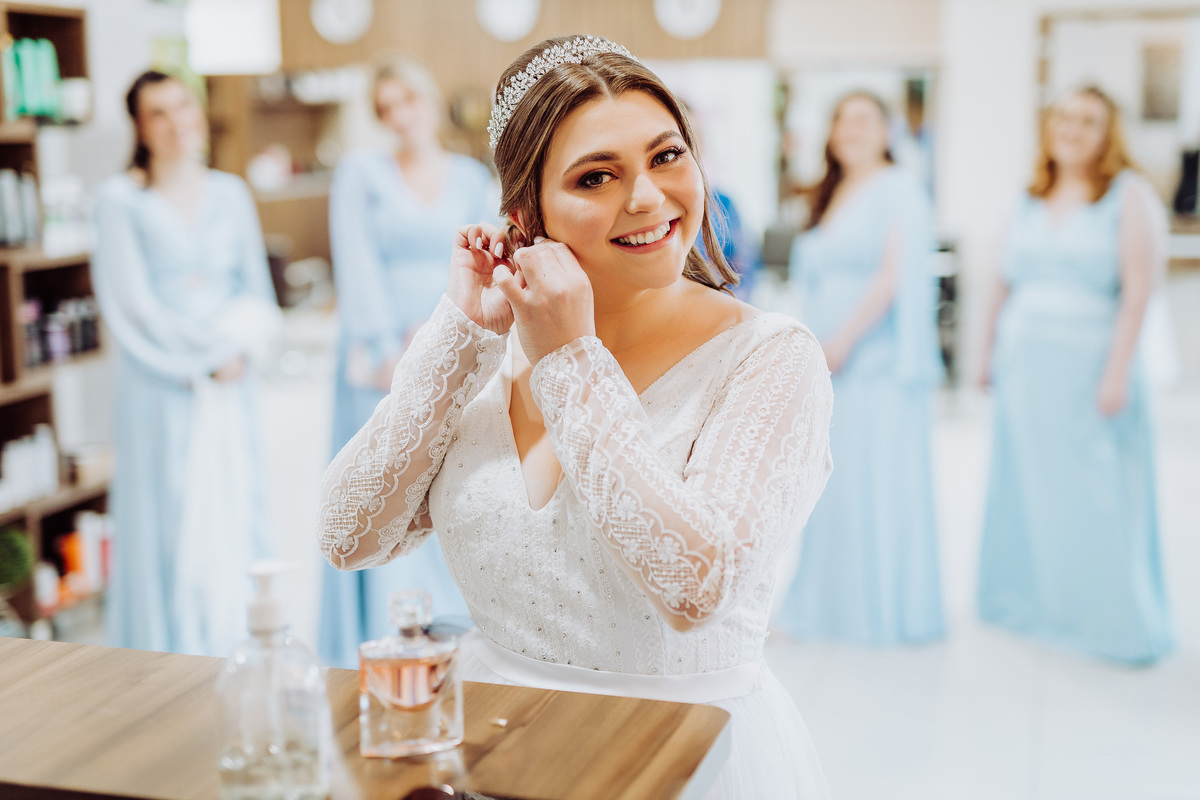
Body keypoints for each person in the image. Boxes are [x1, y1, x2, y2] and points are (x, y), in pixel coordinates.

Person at [318, 35, 835, 798]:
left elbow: (695, 585)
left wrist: (569, 359)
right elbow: (348, 535)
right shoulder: (490, 352)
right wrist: (461, 336)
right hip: (494, 751)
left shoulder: (770, 357)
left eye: (667, 156)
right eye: (597, 176)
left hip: (679, 758)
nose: (648, 197)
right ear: (525, 214)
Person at [977, 86, 1174, 665]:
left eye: (1088, 120)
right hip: (1025, 367)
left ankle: (1108, 617)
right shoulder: (1028, 197)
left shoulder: (1128, 196)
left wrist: (1117, 374)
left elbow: (1139, 293)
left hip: (1091, 368)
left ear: (1108, 134)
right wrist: (986, 353)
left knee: (1095, 492)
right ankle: (1039, 605)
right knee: (1030, 487)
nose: (1073, 128)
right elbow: (1001, 282)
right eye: (1064, 117)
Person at [94, 71, 279, 656]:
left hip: (230, 385)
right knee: (168, 520)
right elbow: (132, 307)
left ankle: (238, 651)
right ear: (139, 128)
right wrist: (206, 356)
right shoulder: (120, 201)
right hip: (162, 385)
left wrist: (239, 347)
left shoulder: (230, 193)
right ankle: (166, 658)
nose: (176, 122)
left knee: (233, 510)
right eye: (158, 113)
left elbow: (256, 291)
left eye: (182, 105)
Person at [318, 57, 494, 668]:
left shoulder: (470, 177)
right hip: (380, 356)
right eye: (385, 108)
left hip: (451, 341)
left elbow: (482, 256)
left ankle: (452, 636)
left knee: (445, 478)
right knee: (386, 478)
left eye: (407, 101)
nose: (399, 116)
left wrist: (447, 332)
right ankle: (388, 639)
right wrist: (389, 346)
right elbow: (355, 259)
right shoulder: (360, 173)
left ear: (429, 100)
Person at [775, 92, 945, 646]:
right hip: (827, 357)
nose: (852, 130)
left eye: (865, 120)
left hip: (871, 360)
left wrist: (843, 341)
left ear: (888, 131)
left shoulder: (899, 189)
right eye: (843, 120)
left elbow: (892, 276)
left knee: (872, 482)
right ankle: (827, 602)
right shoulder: (829, 193)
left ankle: (874, 608)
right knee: (832, 484)